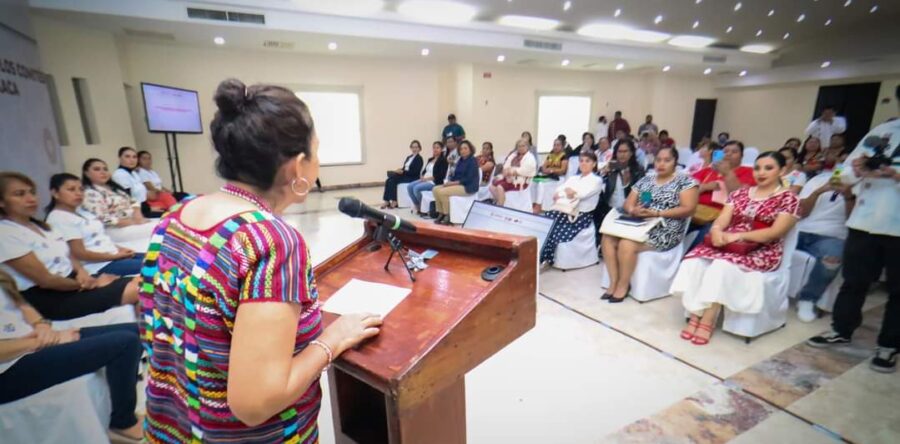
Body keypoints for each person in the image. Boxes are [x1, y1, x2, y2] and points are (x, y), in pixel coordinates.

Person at [141, 78, 383, 443]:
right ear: (298, 166)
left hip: (173, 429)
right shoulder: (269, 241)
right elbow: (255, 403)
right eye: (316, 152)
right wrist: (333, 339)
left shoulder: (178, 214)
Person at [807, 86, 899, 373]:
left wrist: (894, 174)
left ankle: (889, 344)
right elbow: (840, 174)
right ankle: (841, 329)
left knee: (898, 290)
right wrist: (854, 172)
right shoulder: (884, 131)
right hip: (863, 220)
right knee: (854, 281)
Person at [0, 269, 143, 441]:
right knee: (125, 343)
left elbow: (18, 302)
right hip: (9, 368)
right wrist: (42, 341)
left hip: (32, 341)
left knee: (136, 332)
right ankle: (123, 422)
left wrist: (41, 326)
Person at [673, 151, 799, 345]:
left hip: (762, 249)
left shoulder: (788, 199)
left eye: (769, 168)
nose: (761, 172)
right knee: (695, 260)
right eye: (757, 168)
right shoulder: (740, 193)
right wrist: (716, 231)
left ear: (782, 170)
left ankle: (707, 320)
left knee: (721, 266)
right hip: (727, 243)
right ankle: (695, 314)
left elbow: (775, 233)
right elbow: (722, 219)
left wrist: (738, 235)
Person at [0, 172, 138, 321]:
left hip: (73, 283)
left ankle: (151, 338)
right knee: (141, 289)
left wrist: (82, 273)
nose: (30, 198)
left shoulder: (42, 226)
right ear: (1, 201)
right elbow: (46, 280)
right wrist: (92, 283)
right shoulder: (6, 233)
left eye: (32, 192)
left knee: (145, 282)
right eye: (19, 194)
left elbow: (69, 254)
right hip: (53, 298)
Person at [601, 147, 698, 302]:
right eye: (658, 160)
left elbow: (689, 209)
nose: (661, 164)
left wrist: (658, 214)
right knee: (607, 239)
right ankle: (613, 282)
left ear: (675, 162)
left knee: (627, 244)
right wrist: (634, 209)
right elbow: (628, 204)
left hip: (667, 228)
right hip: (640, 224)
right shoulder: (646, 180)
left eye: (667, 160)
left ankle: (623, 285)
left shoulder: (685, 182)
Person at [45, 173, 145, 277]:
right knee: (156, 266)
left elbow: (98, 238)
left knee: (159, 258)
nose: (78, 193)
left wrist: (120, 249)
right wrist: (115, 256)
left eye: (81, 189)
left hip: (113, 255)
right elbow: (80, 254)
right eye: (71, 189)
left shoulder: (82, 211)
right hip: (99, 265)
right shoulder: (59, 218)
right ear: (55, 193)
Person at [794, 168, 854, 322]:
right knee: (768, 242)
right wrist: (818, 192)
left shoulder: (864, 186)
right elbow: (800, 211)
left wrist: (848, 195)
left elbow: (852, 219)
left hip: (832, 235)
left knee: (832, 260)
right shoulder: (818, 180)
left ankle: (808, 299)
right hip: (800, 229)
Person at [687, 140, 757, 250]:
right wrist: (705, 187)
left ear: (742, 156)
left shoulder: (749, 172)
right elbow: (686, 188)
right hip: (696, 212)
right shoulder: (710, 170)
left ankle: (688, 260)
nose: (729, 154)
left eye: (734, 152)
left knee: (703, 240)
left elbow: (740, 198)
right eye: (726, 151)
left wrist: (727, 173)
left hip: (721, 218)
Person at [539, 152, 604, 265]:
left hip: (580, 215)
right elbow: (559, 190)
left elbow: (582, 194)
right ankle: (538, 258)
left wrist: (570, 193)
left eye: (587, 161)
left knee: (557, 232)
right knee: (543, 224)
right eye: (581, 161)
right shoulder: (574, 178)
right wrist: (567, 193)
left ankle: (547, 258)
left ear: (594, 164)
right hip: (563, 210)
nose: (583, 163)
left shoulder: (596, 180)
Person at [81, 158, 157, 245]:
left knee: (168, 224)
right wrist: (132, 222)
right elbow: (103, 219)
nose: (103, 172)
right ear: (86, 173)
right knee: (162, 229)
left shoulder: (114, 188)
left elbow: (133, 200)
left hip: (133, 222)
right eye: (97, 169)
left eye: (105, 169)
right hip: (114, 230)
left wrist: (137, 215)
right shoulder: (89, 193)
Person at [593, 139, 646, 246]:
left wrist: (626, 183)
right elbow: (600, 186)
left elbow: (645, 194)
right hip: (609, 208)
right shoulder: (611, 167)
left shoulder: (638, 170)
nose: (622, 155)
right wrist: (602, 174)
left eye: (625, 151)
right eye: (619, 152)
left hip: (628, 209)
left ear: (631, 153)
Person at [432, 140, 480, 225]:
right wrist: (449, 182)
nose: (463, 151)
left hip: (468, 187)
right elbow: (456, 175)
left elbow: (468, 179)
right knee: (435, 189)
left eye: (465, 148)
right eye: (461, 149)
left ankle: (447, 215)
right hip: (458, 184)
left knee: (442, 192)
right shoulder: (460, 160)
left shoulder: (472, 161)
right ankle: (441, 213)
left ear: (470, 149)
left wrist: (452, 184)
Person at [112, 147, 163, 218]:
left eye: (134, 157)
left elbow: (142, 197)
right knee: (169, 219)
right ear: (120, 158)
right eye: (127, 156)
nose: (131, 160)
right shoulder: (120, 174)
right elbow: (127, 199)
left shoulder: (134, 173)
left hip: (144, 209)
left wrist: (150, 208)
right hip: (134, 214)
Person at [489, 138, 537, 207]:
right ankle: (502, 202)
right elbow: (505, 166)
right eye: (519, 146)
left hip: (520, 182)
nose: (521, 148)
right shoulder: (513, 155)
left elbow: (526, 170)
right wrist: (506, 173)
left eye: (523, 146)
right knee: (491, 187)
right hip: (509, 178)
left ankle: (500, 206)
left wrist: (512, 171)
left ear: (527, 147)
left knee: (500, 187)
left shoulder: (530, 157)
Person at [407, 141, 448, 216]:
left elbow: (440, 176)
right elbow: (425, 170)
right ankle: (418, 205)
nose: (435, 149)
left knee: (416, 188)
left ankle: (422, 208)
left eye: (437, 148)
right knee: (409, 186)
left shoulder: (443, 160)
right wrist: (422, 176)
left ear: (441, 149)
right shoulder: (430, 159)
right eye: (434, 148)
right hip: (425, 179)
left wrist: (427, 179)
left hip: (433, 182)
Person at [380, 140, 424, 209]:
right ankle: (386, 200)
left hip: (412, 177)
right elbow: (404, 168)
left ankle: (394, 201)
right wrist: (400, 170)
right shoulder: (409, 157)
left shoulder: (419, 159)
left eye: (416, 147)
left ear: (419, 148)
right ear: (411, 148)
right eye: (413, 147)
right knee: (388, 180)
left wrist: (403, 172)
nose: (414, 149)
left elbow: (415, 172)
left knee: (392, 180)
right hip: (405, 175)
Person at [532, 138, 569, 213]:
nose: (556, 147)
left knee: (541, 184)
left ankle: (539, 205)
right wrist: (547, 171)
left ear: (562, 147)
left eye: (558, 145)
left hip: (558, 177)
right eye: (554, 145)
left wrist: (551, 170)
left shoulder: (564, 156)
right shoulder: (551, 155)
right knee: (533, 181)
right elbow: (543, 167)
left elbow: (562, 170)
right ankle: (533, 203)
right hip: (548, 176)